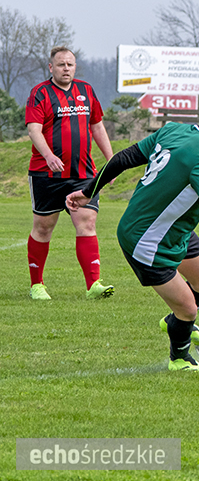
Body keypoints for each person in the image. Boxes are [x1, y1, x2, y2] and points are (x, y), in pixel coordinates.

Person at [66, 87, 199, 373]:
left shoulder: (172, 130)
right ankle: (180, 359)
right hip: (145, 239)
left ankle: (176, 322)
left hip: (172, 230)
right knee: (188, 309)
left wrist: (88, 191)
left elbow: (122, 159)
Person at [25, 46, 115, 300]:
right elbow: (34, 129)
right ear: (51, 67)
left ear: (75, 67)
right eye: (61, 64)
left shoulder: (86, 91)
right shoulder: (40, 93)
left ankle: (94, 285)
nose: (66, 68)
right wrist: (49, 156)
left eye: (70, 64)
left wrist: (112, 161)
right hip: (46, 174)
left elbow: (97, 126)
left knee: (87, 222)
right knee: (43, 228)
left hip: (83, 173)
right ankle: (37, 285)